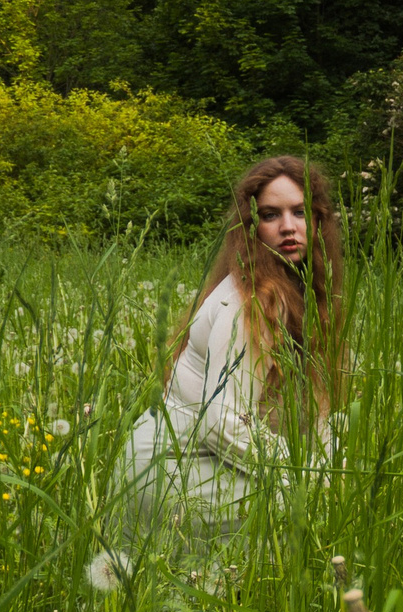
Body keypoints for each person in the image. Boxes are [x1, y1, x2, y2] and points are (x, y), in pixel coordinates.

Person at [109, 155, 346, 545]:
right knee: (306, 508)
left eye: (300, 212)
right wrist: (309, 476)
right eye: (271, 215)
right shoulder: (253, 301)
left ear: (318, 221)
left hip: (174, 462)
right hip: (171, 469)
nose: (289, 227)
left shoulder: (292, 291)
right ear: (251, 227)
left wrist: (325, 462)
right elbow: (223, 423)